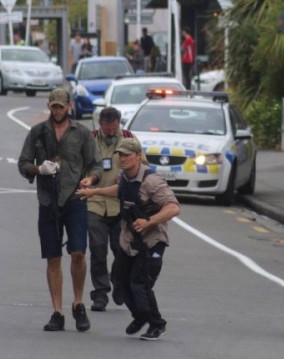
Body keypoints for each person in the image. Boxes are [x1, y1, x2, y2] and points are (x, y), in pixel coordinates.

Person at [77, 138, 181, 341]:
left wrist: (148, 221)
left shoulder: (152, 180)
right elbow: (119, 190)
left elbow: (173, 207)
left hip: (152, 240)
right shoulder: (124, 176)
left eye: (126, 155)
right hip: (130, 239)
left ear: (137, 156)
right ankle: (140, 316)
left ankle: (157, 324)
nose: (122, 158)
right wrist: (94, 192)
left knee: (139, 283)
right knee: (119, 279)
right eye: (120, 155)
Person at [17, 88, 103, 332]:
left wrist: (92, 180)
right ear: (49, 106)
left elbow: (96, 164)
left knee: (78, 252)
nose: (57, 110)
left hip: (75, 198)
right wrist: (37, 169)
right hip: (48, 200)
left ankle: (78, 303)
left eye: (60, 107)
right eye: (53, 106)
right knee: (53, 257)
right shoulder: (37, 133)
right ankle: (57, 311)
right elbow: (23, 163)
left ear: (69, 107)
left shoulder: (82, 133)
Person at [86, 107, 145, 312]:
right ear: (100, 124)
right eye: (107, 128)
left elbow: (143, 167)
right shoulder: (91, 138)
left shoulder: (129, 139)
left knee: (121, 250)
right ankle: (100, 293)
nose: (111, 132)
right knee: (97, 248)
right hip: (95, 202)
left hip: (121, 205)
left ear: (119, 123)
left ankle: (119, 283)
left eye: (114, 128)